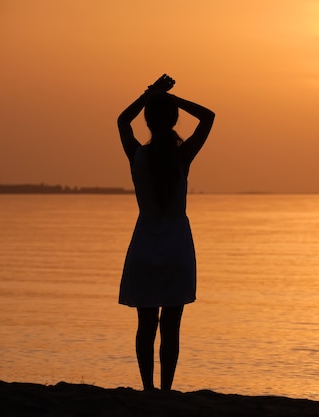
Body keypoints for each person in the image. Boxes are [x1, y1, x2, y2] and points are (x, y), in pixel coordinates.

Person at [117, 74, 215, 391]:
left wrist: (150, 94)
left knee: (146, 326)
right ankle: (166, 391)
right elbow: (208, 117)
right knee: (171, 327)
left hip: (145, 245)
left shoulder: (138, 155)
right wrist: (173, 99)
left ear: (147, 120)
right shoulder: (181, 156)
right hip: (176, 248)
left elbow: (122, 121)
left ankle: (147, 389)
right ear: (173, 118)